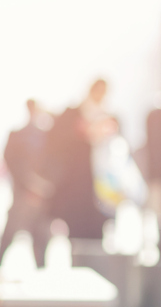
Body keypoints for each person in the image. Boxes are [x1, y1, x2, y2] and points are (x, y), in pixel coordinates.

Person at [41, 79, 116, 243]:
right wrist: (81, 131)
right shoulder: (73, 114)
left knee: (96, 227)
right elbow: (55, 139)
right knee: (76, 225)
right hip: (75, 181)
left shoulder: (109, 116)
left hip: (100, 182)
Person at [0, 99, 53, 269]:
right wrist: (29, 184)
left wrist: (44, 186)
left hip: (42, 197)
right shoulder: (16, 135)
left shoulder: (48, 136)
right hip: (21, 194)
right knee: (9, 235)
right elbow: (11, 161)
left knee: (41, 239)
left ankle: (41, 273)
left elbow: (55, 162)